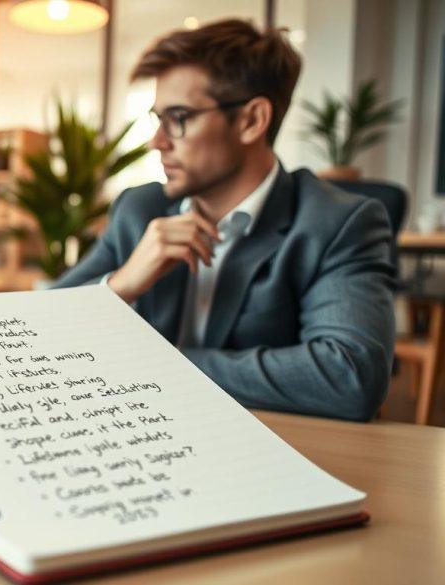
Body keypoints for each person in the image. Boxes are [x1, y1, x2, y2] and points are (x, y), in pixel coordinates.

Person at [53, 19, 395, 422]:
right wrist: (120, 285)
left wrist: (156, 364)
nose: (157, 141)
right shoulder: (138, 209)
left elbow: (349, 375)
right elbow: (34, 330)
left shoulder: (337, 223)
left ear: (252, 120)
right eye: (158, 119)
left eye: (179, 117)